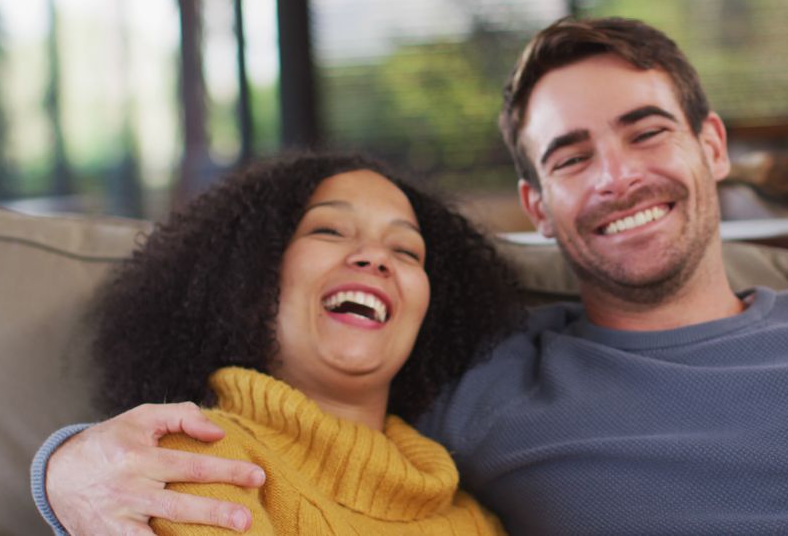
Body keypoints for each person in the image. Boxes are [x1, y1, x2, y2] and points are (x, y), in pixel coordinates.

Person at [34, 18, 788, 535]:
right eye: (570, 158)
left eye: (646, 133)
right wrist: (63, 466)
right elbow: (301, 427)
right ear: (537, 207)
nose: (615, 177)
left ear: (713, 148)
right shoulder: (483, 379)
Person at [35, 153, 519, 534]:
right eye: (329, 230)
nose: (374, 256)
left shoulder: (474, 519)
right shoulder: (193, 459)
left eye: (406, 250)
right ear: (254, 274)